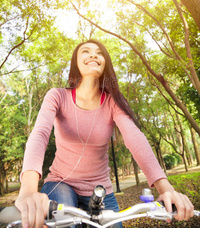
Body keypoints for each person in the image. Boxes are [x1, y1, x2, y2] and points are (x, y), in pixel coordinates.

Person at [15, 39, 194, 228]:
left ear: (105, 62)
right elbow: (40, 134)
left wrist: (166, 188)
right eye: (85, 51)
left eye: (99, 53)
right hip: (61, 183)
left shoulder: (112, 102)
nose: (93, 55)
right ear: (75, 62)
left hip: (101, 190)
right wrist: (28, 190)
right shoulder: (57, 96)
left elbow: (135, 138)